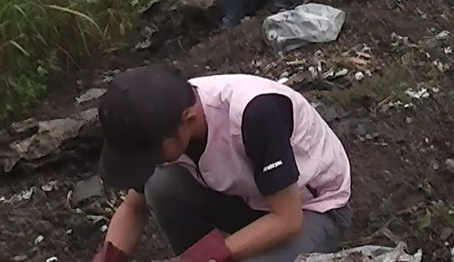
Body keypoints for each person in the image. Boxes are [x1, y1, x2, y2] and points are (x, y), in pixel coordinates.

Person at [89, 66, 352, 262]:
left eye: (151, 153)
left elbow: (288, 220)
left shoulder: (255, 113)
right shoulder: (158, 116)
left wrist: (198, 259)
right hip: (249, 198)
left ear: (188, 120)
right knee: (160, 187)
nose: (149, 160)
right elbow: (134, 207)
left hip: (310, 209)